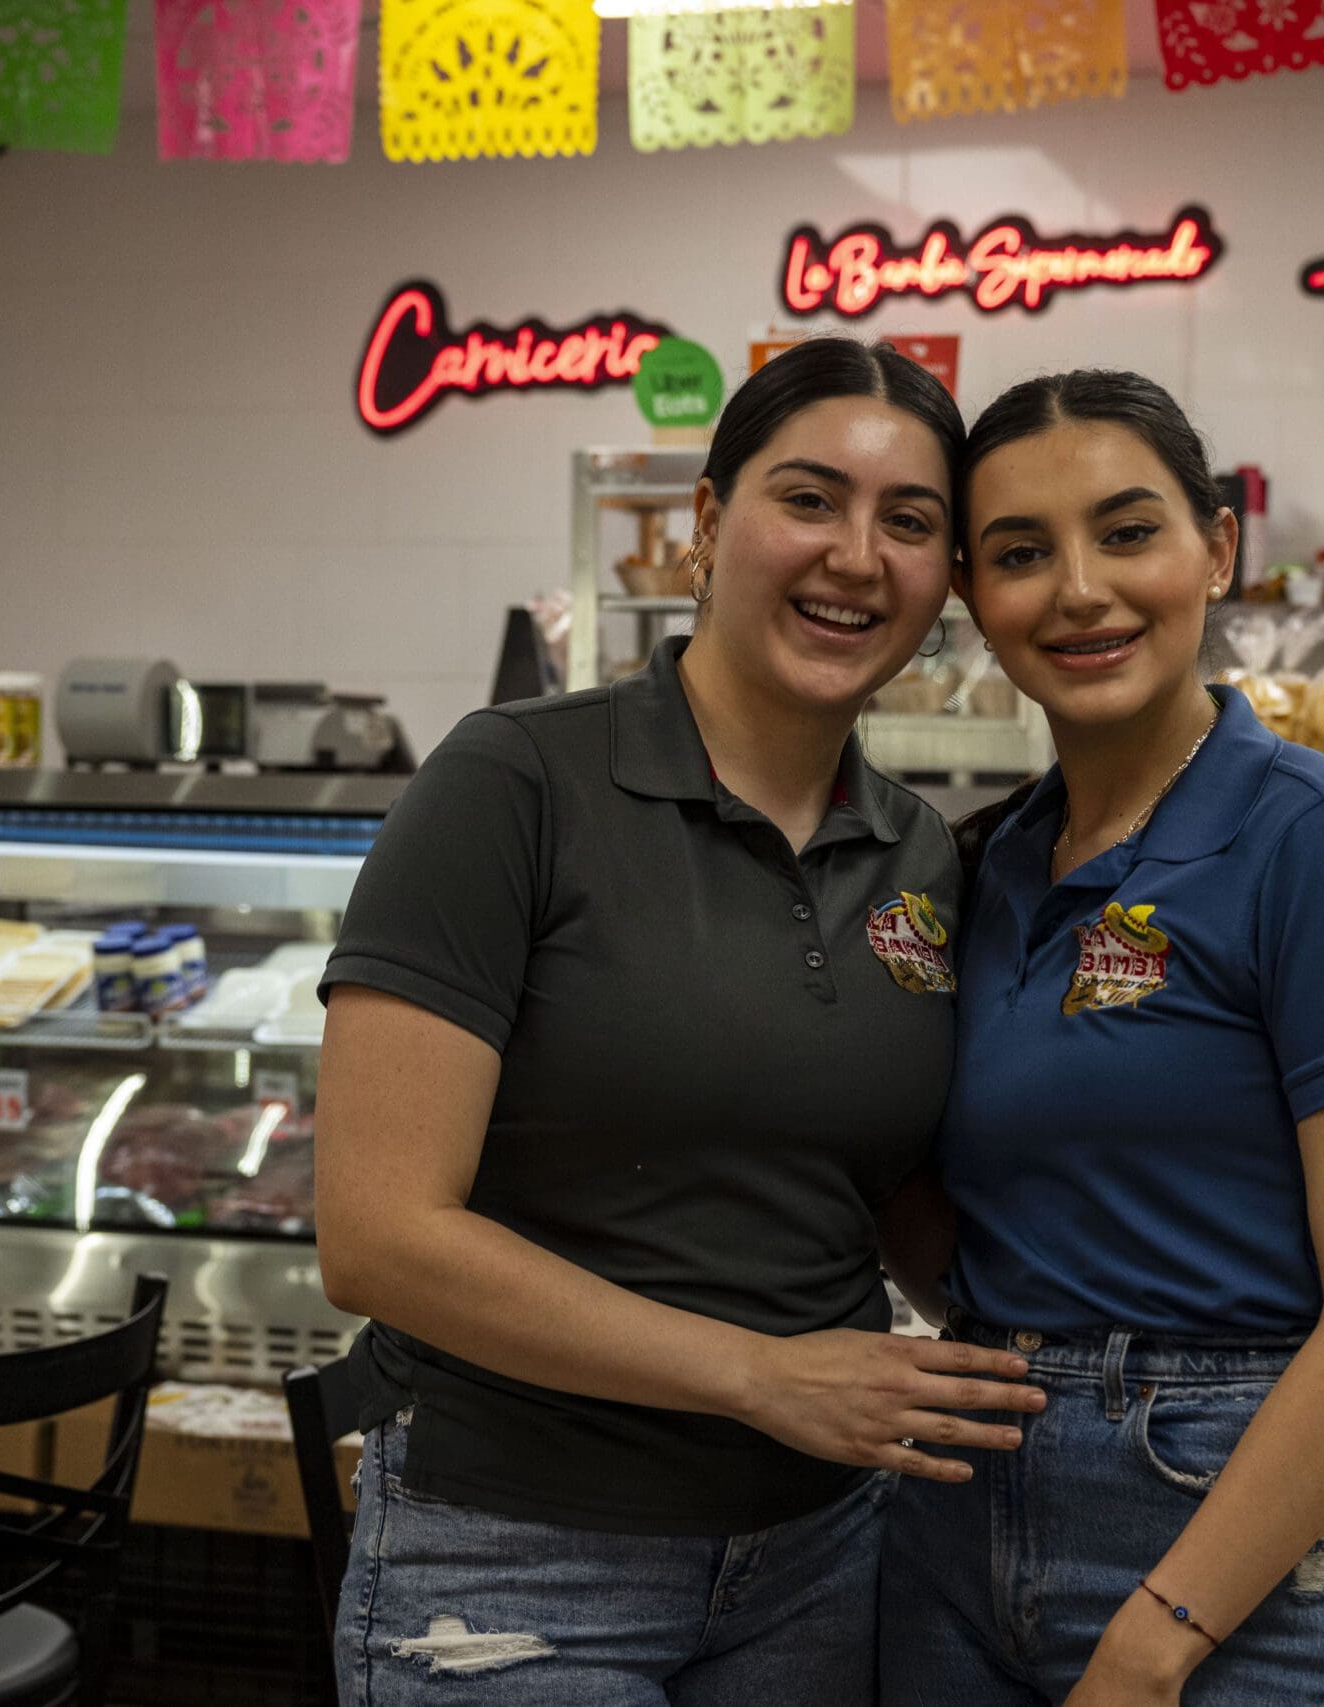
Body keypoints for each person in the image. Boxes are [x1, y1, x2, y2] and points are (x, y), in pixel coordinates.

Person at [314, 338, 1044, 1707]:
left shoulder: (920, 857)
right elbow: (377, 1235)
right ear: (708, 525)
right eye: (809, 499)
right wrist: (761, 1378)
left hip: (826, 1555)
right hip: (521, 1564)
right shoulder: (515, 782)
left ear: (947, 578)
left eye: (910, 522)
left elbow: (883, 1195)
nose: (856, 556)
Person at [879, 370, 1324, 1706]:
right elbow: (959, 1213)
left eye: (1128, 531)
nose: (1079, 589)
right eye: (1022, 554)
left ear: (1217, 549)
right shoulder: (986, 863)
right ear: (975, 595)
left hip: (1220, 1518)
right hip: (961, 1496)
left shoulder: (1323, 845)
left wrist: (1157, 1644)